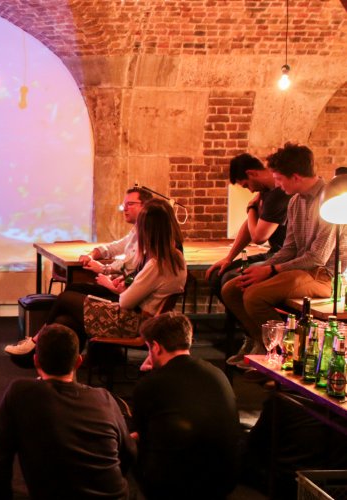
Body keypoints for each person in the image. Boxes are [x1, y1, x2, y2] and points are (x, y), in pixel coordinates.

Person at [7, 198, 187, 353]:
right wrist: (124, 285)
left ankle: (37, 343)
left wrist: (115, 285)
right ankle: (54, 356)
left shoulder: (157, 264)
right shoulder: (175, 257)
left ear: (150, 230)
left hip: (133, 322)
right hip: (140, 318)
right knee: (65, 319)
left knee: (65, 298)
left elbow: (125, 301)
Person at [0, 324, 135, 499]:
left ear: (36, 360)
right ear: (78, 361)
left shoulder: (20, 393)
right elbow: (129, 453)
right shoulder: (105, 398)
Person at [222, 143, 337, 366]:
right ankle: (262, 347)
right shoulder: (295, 201)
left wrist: (271, 269)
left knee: (254, 296)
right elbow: (290, 248)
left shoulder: (329, 200)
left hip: (323, 275)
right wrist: (263, 268)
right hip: (299, 270)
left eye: (280, 179)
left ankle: (287, 357)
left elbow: (317, 257)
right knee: (232, 288)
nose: (277, 184)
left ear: (295, 177)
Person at [133, 312, 239, 499]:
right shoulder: (217, 373)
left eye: (149, 348)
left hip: (174, 487)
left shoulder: (151, 383)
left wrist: (144, 376)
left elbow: (142, 434)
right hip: (224, 481)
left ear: (156, 347)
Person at [207, 154, 291, 353]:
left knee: (233, 279)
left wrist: (251, 208)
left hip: (282, 255)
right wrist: (229, 258)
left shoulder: (279, 193)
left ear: (252, 173)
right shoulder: (265, 192)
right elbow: (249, 226)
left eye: (246, 185)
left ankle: (259, 340)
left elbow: (260, 235)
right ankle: (250, 335)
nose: (249, 190)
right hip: (274, 252)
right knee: (217, 275)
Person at [76, 186, 153, 299]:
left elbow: (131, 264)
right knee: (72, 291)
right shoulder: (137, 229)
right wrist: (91, 255)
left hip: (125, 294)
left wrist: (105, 269)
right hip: (120, 286)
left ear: (145, 206)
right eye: (124, 205)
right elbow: (114, 247)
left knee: (73, 291)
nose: (125, 209)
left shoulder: (151, 234)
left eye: (130, 204)